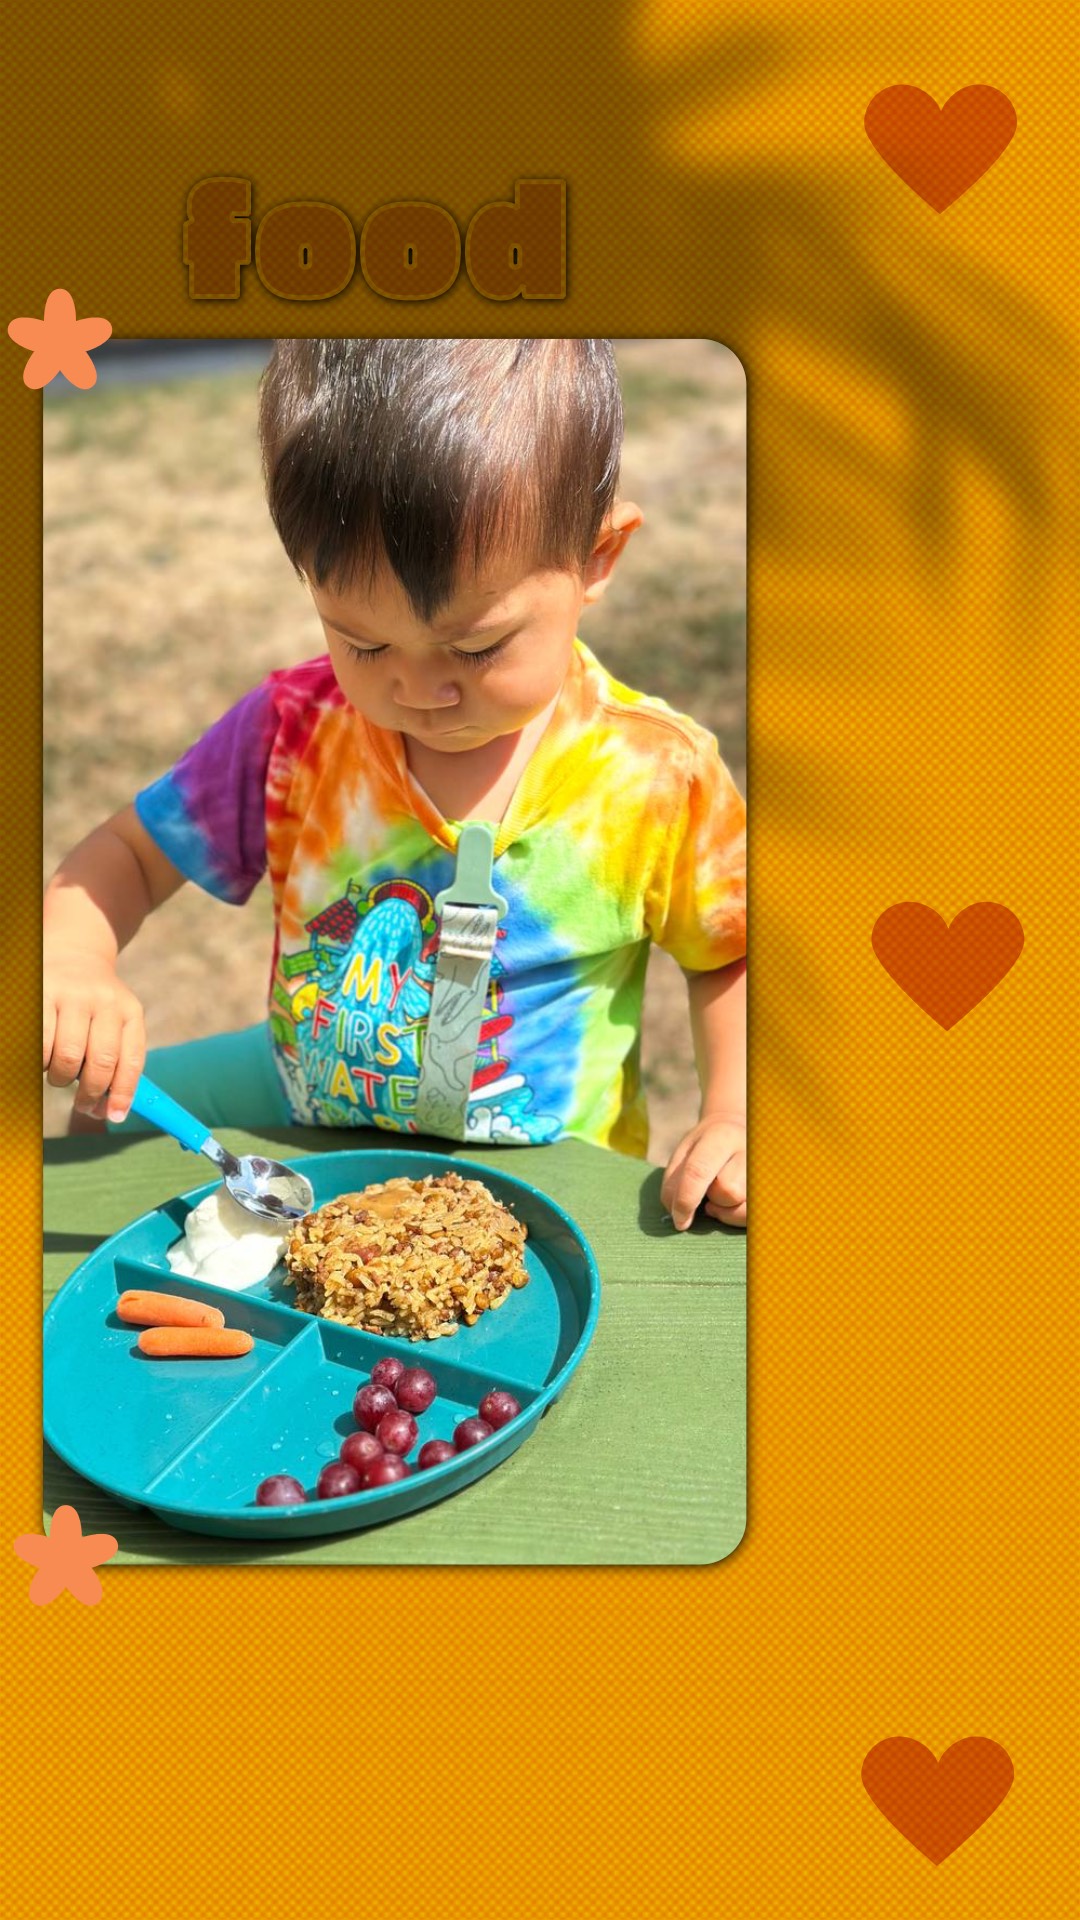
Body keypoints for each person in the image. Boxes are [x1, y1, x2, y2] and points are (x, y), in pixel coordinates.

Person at [43, 339, 746, 1228]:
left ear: (597, 557)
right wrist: (73, 960)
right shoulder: (295, 732)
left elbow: (731, 951)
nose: (417, 689)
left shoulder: (654, 776)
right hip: (306, 1114)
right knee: (106, 1119)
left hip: (544, 1182)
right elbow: (128, 855)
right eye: (364, 642)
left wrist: (732, 1111)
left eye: (476, 647)